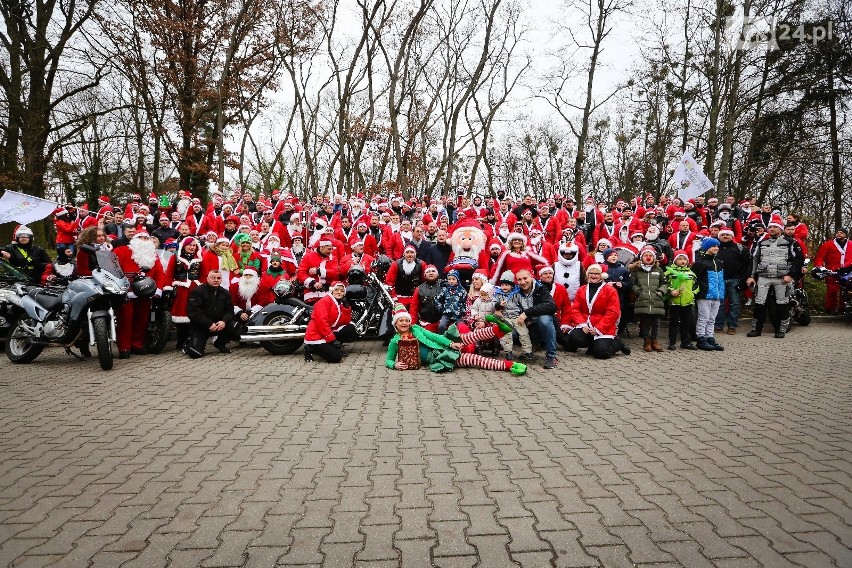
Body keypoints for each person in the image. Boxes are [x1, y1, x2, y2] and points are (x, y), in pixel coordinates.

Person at [385, 305, 526, 375]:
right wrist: (394, 365)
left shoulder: (416, 329)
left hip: (444, 344)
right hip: (440, 357)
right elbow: (389, 359)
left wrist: (451, 343)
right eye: (400, 321)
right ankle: (509, 366)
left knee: (467, 337)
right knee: (472, 359)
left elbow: (434, 336)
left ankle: (499, 330)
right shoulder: (395, 341)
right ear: (395, 324)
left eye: (406, 320)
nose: (404, 323)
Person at [746, 216, 804, 338]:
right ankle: (756, 329)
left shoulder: (791, 243)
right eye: (770, 227)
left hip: (782, 279)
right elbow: (754, 260)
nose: (771, 229)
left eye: (774, 227)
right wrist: (751, 276)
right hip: (763, 277)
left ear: (781, 229)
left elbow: (799, 260)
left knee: (782, 304)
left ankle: (781, 330)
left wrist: (791, 275)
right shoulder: (761, 243)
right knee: (759, 304)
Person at [113, 231, 167, 358]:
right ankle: (124, 347)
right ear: (135, 239)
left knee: (141, 320)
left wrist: (158, 289)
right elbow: (114, 269)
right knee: (125, 320)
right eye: (141, 237)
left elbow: (159, 272)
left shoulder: (153, 255)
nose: (145, 240)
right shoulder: (121, 251)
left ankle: (137, 345)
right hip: (127, 292)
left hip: (146, 292)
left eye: (147, 238)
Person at [562, 264, 631, 359]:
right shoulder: (581, 289)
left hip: (603, 326)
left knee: (601, 354)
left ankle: (618, 343)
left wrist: (598, 329)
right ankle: (593, 345)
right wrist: (583, 324)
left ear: (601, 275)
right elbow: (575, 309)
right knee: (574, 338)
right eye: (591, 273)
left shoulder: (610, 290)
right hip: (587, 325)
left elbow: (613, 312)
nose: (593, 276)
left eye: (597, 273)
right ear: (587, 274)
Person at [502, 269, 559, 369]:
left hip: (543, 324)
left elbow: (551, 306)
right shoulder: (515, 292)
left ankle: (551, 356)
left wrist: (527, 313)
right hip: (527, 326)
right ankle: (529, 349)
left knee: (544, 320)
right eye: (519, 280)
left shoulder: (540, 288)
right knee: (511, 331)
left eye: (525, 278)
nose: (523, 282)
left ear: (531, 277)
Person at [184, 270, 242, 358]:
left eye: (218, 278)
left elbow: (230, 311)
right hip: (202, 326)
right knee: (195, 354)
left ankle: (219, 343)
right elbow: (193, 313)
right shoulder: (197, 291)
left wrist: (224, 322)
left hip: (219, 325)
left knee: (236, 326)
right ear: (207, 278)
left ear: (221, 280)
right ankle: (189, 342)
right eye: (213, 278)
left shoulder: (226, 293)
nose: (215, 280)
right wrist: (209, 324)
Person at [303, 281, 358, 363]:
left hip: (327, 332)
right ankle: (311, 347)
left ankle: (329, 347)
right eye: (336, 290)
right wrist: (332, 339)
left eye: (342, 291)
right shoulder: (324, 301)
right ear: (332, 291)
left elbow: (345, 321)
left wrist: (346, 308)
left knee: (350, 328)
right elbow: (322, 322)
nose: (339, 292)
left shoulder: (338, 303)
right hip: (317, 334)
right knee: (336, 358)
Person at [165, 236, 204, 350]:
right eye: (189, 245)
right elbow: (169, 273)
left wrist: (203, 286)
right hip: (181, 288)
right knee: (181, 314)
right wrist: (167, 288)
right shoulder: (175, 257)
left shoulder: (200, 258)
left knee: (194, 314)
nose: (192, 247)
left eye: (193, 245)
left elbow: (203, 274)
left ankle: (191, 339)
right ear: (184, 246)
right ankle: (181, 339)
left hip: (195, 289)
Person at [629, 245, 668, 352]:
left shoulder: (658, 270)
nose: (648, 257)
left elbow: (664, 283)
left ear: (654, 257)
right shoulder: (637, 270)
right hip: (643, 300)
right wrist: (639, 292)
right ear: (641, 257)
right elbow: (633, 283)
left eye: (650, 255)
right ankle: (646, 342)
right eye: (646, 255)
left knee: (656, 323)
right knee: (645, 322)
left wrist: (660, 292)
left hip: (656, 300)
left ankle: (654, 341)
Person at [714, 227, 751, 334]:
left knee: (734, 304)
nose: (725, 236)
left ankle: (732, 326)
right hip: (719, 280)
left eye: (727, 234)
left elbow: (747, 266)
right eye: (722, 235)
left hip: (735, 280)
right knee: (719, 304)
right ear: (719, 236)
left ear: (732, 236)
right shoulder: (715, 248)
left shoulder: (741, 249)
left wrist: (742, 281)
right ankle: (719, 325)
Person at [692, 237, 726, 350]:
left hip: (717, 295)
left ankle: (709, 337)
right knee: (704, 317)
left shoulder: (719, 261)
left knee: (712, 318)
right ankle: (700, 338)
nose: (716, 248)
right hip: (705, 295)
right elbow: (694, 278)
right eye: (713, 246)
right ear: (706, 248)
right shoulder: (700, 262)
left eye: (717, 246)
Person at [664, 250, 698, 350]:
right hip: (675, 302)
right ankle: (672, 342)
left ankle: (686, 342)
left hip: (688, 302)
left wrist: (692, 294)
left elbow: (696, 285)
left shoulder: (691, 273)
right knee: (674, 322)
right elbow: (664, 284)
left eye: (684, 259)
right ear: (675, 260)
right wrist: (671, 291)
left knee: (686, 322)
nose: (682, 261)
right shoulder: (669, 273)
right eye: (679, 259)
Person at [813, 227, 852, 314]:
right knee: (832, 290)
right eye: (837, 232)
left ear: (846, 235)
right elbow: (820, 257)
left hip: (848, 271)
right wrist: (819, 267)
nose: (838, 234)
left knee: (846, 290)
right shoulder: (828, 244)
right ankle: (830, 308)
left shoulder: (851, 244)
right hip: (832, 271)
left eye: (841, 232)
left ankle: (844, 308)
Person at [410, 265, 442, 332]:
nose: (431, 273)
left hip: (442, 323)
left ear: (437, 274)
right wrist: (412, 324)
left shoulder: (445, 285)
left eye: (433, 271)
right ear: (425, 275)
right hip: (426, 323)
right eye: (428, 272)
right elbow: (414, 307)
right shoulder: (419, 289)